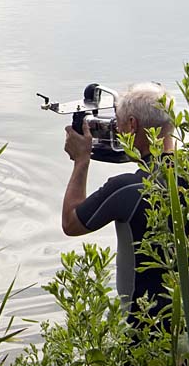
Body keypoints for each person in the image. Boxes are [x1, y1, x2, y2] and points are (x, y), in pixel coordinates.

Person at [62, 82, 175, 323]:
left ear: (133, 125)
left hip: (144, 330)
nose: (116, 131)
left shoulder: (127, 189)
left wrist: (81, 161)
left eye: (118, 124)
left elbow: (71, 223)